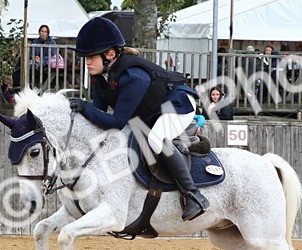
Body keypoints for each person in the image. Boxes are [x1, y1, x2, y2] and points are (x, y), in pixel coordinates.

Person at [67, 16, 208, 221]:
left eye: (91, 57)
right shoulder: (99, 76)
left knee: (155, 139)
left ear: (111, 55)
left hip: (177, 105)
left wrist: (85, 107)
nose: (86, 63)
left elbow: (116, 122)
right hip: (150, 113)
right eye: (85, 58)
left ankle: (193, 195)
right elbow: (97, 115)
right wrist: (81, 109)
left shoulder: (133, 76)